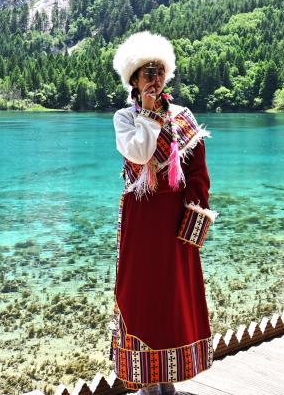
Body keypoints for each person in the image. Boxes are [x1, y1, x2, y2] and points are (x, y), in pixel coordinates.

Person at [110, 32, 214, 394]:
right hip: (141, 220)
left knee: (173, 297)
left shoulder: (183, 117)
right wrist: (150, 116)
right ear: (134, 81)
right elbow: (140, 155)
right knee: (141, 295)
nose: (154, 78)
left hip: (174, 220)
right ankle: (145, 380)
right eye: (147, 72)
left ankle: (167, 379)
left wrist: (194, 214)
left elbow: (198, 174)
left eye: (159, 71)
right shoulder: (125, 118)